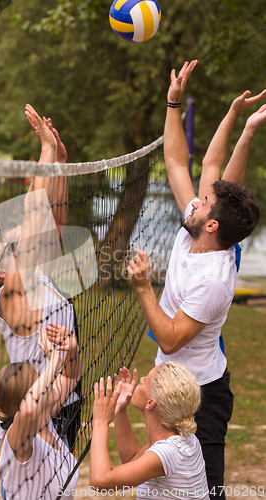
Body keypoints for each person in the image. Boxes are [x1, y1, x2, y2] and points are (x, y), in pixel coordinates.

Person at [127, 60, 266, 499]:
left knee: (203, 492)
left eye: (204, 203)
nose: (196, 202)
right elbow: (180, 159)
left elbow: (169, 339)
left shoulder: (213, 280)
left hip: (200, 395)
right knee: (162, 484)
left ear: (212, 226)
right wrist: (237, 122)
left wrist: (145, 286)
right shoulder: (205, 232)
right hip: (173, 385)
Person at [0, 108, 82, 498]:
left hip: (59, 398)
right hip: (34, 410)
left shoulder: (32, 277)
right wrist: (45, 150)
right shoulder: (11, 299)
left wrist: (60, 164)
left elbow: (53, 219)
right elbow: (34, 214)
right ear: (1, 270)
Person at [89, 363, 209, 500]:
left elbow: (101, 480)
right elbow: (132, 459)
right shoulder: (183, 436)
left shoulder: (167, 453)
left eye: (145, 380)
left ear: (150, 403)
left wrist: (100, 422)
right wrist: (120, 409)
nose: (141, 379)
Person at [0, 326, 81, 500]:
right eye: (41, 378)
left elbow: (70, 377)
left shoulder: (45, 417)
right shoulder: (17, 439)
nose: (50, 378)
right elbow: (29, 410)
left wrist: (72, 349)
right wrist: (53, 360)